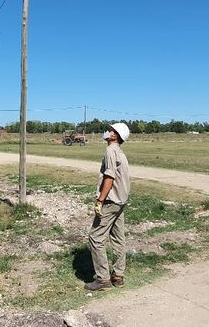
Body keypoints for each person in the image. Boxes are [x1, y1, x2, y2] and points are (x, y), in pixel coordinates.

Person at [85, 122, 131, 291]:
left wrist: (100, 200)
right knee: (118, 238)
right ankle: (118, 276)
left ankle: (103, 279)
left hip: (111, 202)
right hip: (121, 202)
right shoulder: (121, 153)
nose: (107, 131)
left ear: (115, 136)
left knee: (96, 238)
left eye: (111, 130)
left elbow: (109, 177)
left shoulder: (110, 150)